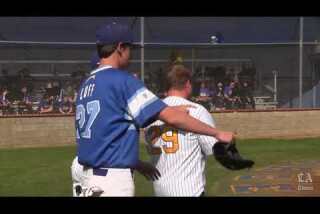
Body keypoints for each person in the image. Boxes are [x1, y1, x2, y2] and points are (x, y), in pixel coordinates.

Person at [71, 22, 234, 197]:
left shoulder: (86, 85)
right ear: (120, 47)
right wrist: (216, 133)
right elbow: (172, 118)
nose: (131, 54)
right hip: (112, 182)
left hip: (88, 178)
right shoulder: (121, 80)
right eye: (129, 48)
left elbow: (108, 131)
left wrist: (137, 163)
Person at [144, 65, 219, 197]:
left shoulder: (151, 114)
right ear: (188, 84)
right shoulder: (196, 111)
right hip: (189, 191)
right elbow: (214, 149)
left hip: (160, 190)